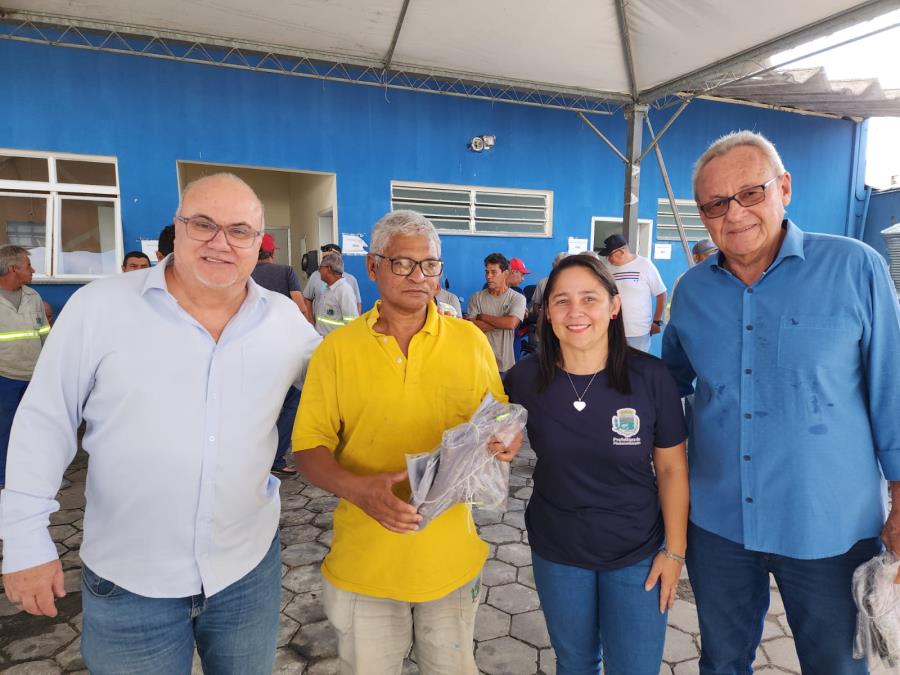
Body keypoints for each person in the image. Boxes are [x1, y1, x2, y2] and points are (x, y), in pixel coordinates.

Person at [0, 173, 322, 674]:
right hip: (131, 584)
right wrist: (24, 541)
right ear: (178, 228)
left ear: (258, 244)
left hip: (246, 573)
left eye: (239, 230)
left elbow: (348, 393)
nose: (220, 242)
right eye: (203, 225)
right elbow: (45, 422)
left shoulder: (284, 322)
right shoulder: (99, 308)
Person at [663, 130, 900, 674]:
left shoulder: (854, 267)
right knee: (722, 662)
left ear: (784, 188)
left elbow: (892, 386)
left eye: (750, 192)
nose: (735, 213)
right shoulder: (692, 290)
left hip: (828, 525)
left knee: (836, 664)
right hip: (719, 522)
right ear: (702, 215)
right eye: (716, 204)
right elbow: (664, 387)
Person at [292, 210, 521, 675]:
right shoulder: (337, 350)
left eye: (430, 265)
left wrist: (505, 439)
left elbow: (495, 418)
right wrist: (359, 490)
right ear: (373, 267)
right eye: (402, 263)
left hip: (450, 560)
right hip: (365, 564)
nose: (419, 276)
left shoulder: (469, 342)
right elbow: (307, 449)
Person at [505, 253, 688, 675]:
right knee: (575, 664)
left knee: (636, 667)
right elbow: (491, 428)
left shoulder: (651, 377)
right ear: (546, 312)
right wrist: (498, 442)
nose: (576, 312)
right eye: (562, 301)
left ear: (614, 305)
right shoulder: (525, 379)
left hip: (638, 551)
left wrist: (675, 553)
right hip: (557, 550)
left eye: (589, 298)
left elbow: (673, 469)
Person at [251, 232, 313, 477]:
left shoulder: (245, 275)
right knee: (290, 403)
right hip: (283, 352)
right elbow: (300, 306)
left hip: (253, 352)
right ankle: (276, 458)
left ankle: (254, 458)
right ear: (273, 252)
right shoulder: (285, 272)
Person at [0, 246, 49, 488]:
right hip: (5, 378)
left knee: (35, 431)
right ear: (13, 269)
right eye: (28, 265)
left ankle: (36, 478)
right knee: (5, 433)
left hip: (34, 377)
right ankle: (5, 480)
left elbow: (44, 334)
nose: (33, 270)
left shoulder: (33, 296)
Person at [597, 234, 666, 353]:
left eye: (610, 255)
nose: (608, 259)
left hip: (639, 333)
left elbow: (661, 294)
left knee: (637, 368)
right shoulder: (609, 269)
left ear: (621, 252)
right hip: (614, 330)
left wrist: (656, 321)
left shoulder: (644, 265)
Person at [467, 252, 527, 373]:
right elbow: (472, 328)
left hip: (505, 365)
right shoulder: (476, 297)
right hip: (480, 364)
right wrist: (502, 320)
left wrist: (482, 316)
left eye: (493, 272)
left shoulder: (517, 298)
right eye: (487, 272)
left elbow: (511, 323)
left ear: (505, 274)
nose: (488, 276)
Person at [303, 243, 363, 314]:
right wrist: (311, 322)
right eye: (324, 259)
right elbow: (307, 299)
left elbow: (357, 304)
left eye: (329, 258)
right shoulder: (315, 276)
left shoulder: (351, 280)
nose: (324, 262)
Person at [312, 254, 358, 336]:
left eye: (320, 268)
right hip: (323, 342)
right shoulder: (327, 288)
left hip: (335, 345)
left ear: (328, 268)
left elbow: (352, 323)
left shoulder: (344, 291)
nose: (319, 271)